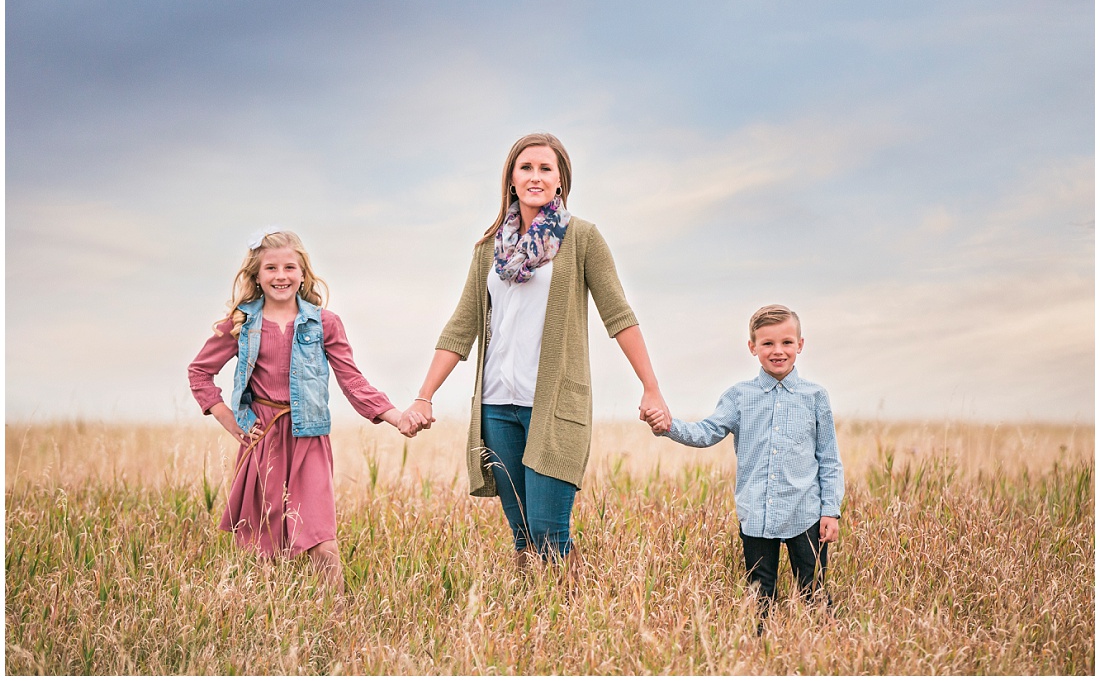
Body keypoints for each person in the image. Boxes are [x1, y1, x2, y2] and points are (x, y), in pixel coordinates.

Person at [401, 132, 669, 583]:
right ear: (510, 178)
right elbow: (462, 326)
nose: (536, 177)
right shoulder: (488, 248)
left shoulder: (581, 238)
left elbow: (619, 314)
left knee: (549, 533)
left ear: (561, 181)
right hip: (496, 407)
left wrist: (651, 387)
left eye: (546, 169)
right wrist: (423, 396)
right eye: (526, 167)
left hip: (555, 405)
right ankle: (535, 624)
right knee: (524, 535)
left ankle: (569, 621)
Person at [188, 228, 424, 594]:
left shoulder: (325, 323)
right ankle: (266, 625)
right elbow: (199, 372)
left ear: (303, 274)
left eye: (289, 267)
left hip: (309, 438)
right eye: (270, 268)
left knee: (322, 540)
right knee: (262, 548)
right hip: (261, 439)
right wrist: (228, 420)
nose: (280, 276)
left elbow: (353, 381)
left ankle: (338, 621)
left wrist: (396, 417)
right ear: (256, 275)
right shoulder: (239, 324)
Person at [643, 304, 844, 631]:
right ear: (753, 347)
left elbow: (830, 460)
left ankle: (825, 650)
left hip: (805, 513)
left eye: (787, 342)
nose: (778, 351)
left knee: (814, 594)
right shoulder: (739, 397)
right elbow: (707, 433)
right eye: (767, 344)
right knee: (759, 597)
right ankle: (759, 650)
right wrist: (667, 426)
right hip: (756, 513)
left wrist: (830, 511)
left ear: (800, 345)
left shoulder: (816, 397)